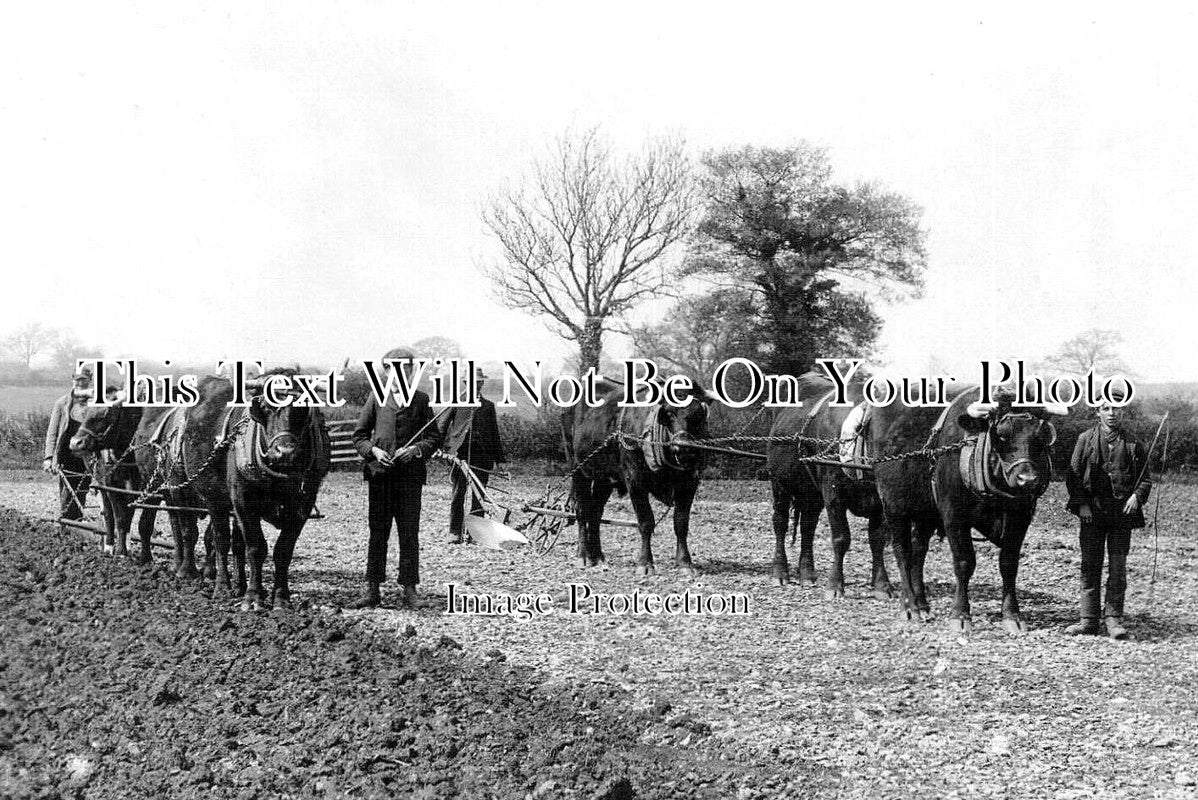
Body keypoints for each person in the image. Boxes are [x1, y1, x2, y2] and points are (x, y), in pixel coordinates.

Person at [349, 347, 443, 609]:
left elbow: (435, 437)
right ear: (387, 372)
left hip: (410, 479)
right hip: (380, 478)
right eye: (393, 368)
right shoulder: (376, 399)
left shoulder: (421, 400)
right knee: (378, 532)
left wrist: (415, 450)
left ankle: (410, 590)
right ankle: (372, 590)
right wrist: (374, 451)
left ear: (411, 371)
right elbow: (359, 436)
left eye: (405, 368)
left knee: (409, 533)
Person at [1064, 396, 1152, 640]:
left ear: (1123, 412)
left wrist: (1137, 496)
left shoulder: (1134, 442)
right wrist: (1082, 505)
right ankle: (1088, 620)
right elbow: (1072, 476)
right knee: (1090, 565)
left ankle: (1114, 619)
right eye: (1106, 408)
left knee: (1118, 567)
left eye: (1116, 408)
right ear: (1098, 413)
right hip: (1092, 514)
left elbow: (1145, 479)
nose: (1112, 413)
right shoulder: (1085, 439)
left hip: (1122, 516)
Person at [438, 369, 507, 544]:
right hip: (460, 456)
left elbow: (494, 434)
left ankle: (475, 534)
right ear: (465, 383)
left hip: (482, 456)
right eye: (473, 382)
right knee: (458, 494)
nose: (477, 385)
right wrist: (440, 449)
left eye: (479, 382)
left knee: (479, 496)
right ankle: (454, 531)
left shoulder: (488, 406)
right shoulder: (456, 402)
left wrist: (500, 460)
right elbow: (441, 426)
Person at [44, 365, 95, 533]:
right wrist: (49, 457)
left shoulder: (96, 402)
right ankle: (67, 525)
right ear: (73, 381)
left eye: (84, 380)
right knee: (68, 490)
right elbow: (52, 432)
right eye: (77, 380)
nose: (80, 383)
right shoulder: (62, 403)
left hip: (88, 455)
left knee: (82, 489)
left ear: (90, 381)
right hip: (66, 455)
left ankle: (76, 524)